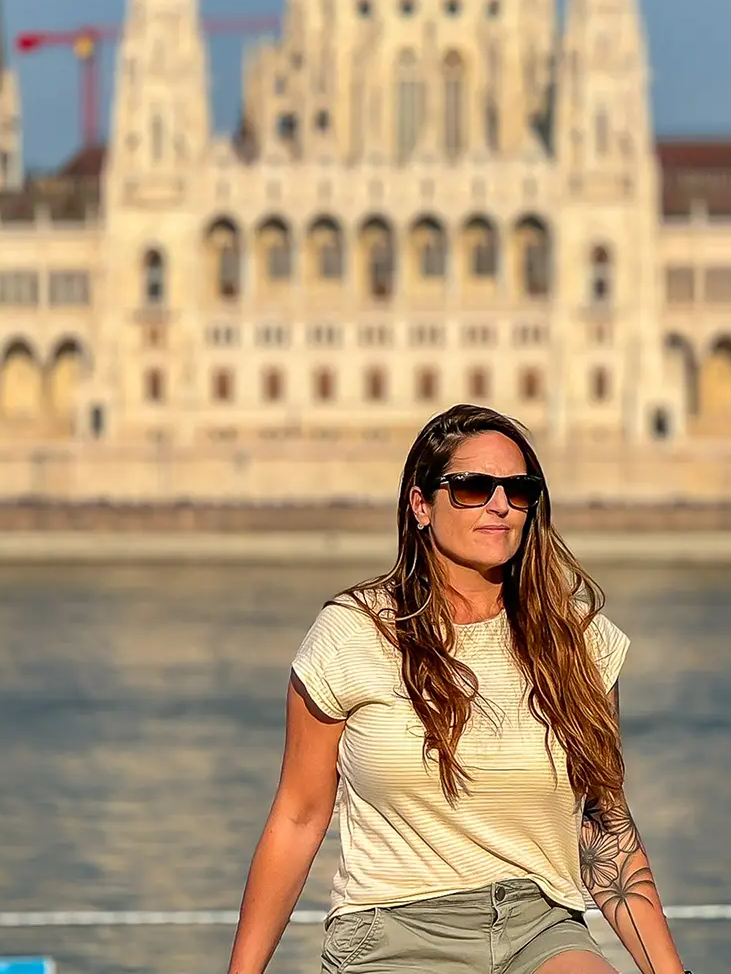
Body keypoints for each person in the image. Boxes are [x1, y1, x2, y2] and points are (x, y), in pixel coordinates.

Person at [227, 404, 688, 974]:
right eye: (472, 487)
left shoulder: (579, 640)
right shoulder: (352, 632)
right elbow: (298, 816)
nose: (500, 505)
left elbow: (604, 823)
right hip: (393, 931)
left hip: (539, 928)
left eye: (518, 490)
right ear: (421, 505)